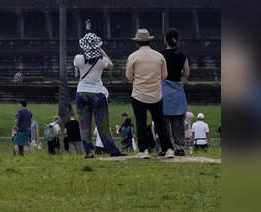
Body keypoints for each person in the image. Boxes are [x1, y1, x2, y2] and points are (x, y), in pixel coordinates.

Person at [74, 32, 124, 158]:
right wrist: (101, 51)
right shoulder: (101, 61)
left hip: (82, 92)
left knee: (85, 125)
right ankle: (112, 149)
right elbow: (111, 65)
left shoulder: (78, 58)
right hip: (97, 93)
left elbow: (77, 67)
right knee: (103, 124)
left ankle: (89, 152)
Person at [126, 29, 174, 158]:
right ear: (149, 41)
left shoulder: (133, 57)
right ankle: (168, 149)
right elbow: (164, 75)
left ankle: (144, 150)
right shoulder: (159, 56)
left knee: (141, 123)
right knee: (160, 123)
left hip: (139, 94)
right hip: (156, 95)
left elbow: (129, 77)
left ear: (137, 43)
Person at [161, 29, 191, 156]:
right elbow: (187, 74)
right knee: (178, 121)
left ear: (165, 40)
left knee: (164, 121)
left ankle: (166, 147)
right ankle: (180, 147)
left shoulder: (160, 55)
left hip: (163, 89)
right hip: (177, 90)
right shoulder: (182, 55)